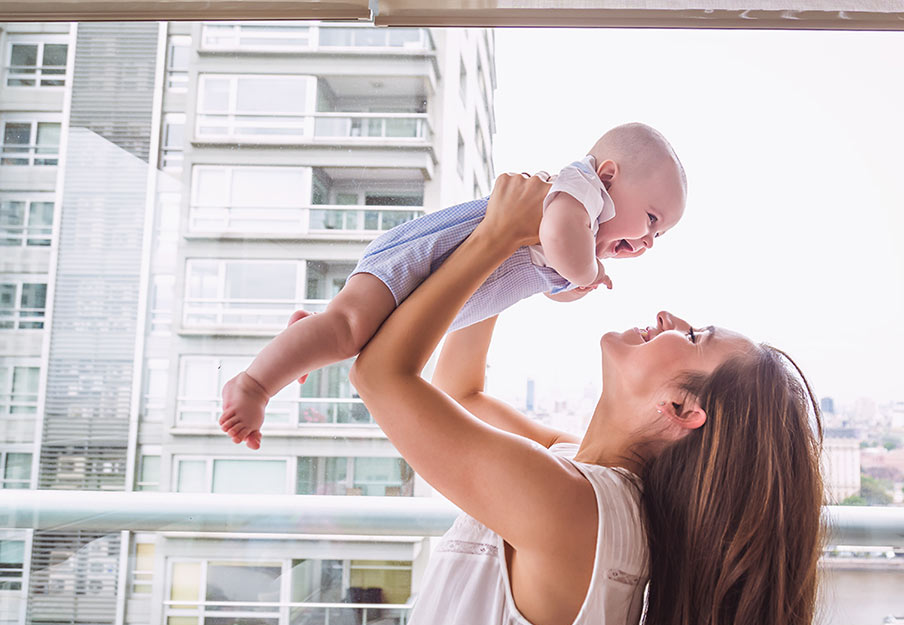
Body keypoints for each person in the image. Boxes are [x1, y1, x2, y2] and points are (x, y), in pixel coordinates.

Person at [328, 173, 825, 625]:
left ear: (682, 409)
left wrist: (496, 236)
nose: (669, 317)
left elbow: (380, 376)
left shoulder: (572, 508)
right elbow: (461, 393)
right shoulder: (592, 483)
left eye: (695, 336)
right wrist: (525, 254)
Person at [218, 122, 686, 450]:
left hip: (442, 287)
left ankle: (311, 334)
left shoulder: (584, 227)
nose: (647, 240)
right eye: (649, 219)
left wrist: (573, 286)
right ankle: (254, 384)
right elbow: (560, 239)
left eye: (658, 236)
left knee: (354, 333)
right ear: (608, 177)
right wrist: (587, 272)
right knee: (348, 329)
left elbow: (550, 282)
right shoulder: (579, 191)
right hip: (426, 257)